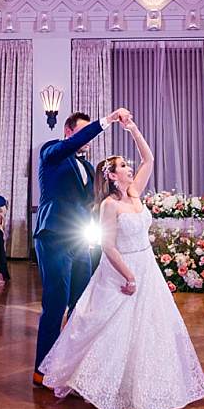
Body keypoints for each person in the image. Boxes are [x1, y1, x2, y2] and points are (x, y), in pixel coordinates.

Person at [39, 118, 204, 409]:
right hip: (115, 264)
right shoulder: (54, 153)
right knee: (88, 317)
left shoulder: (133, 194)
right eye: (122, 166)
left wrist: (133, 129)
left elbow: (149, 159)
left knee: (148, 327)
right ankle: (62, 372)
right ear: (111, 174)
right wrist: (129, 275)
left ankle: (139, 382)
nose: (129, 168)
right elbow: (108, 244)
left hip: (146, 267)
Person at [33, 107, 131, 387]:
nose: (87, 138)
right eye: (82, 131)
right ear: (68, 131)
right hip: (54, 236)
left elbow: (99, 200)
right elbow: (72, 144)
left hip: (80, 239)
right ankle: (42, 370)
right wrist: (107, 121)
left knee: (81, 304)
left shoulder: (88, 168)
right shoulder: (51, 151)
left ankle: (74, 367)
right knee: (56, 303)